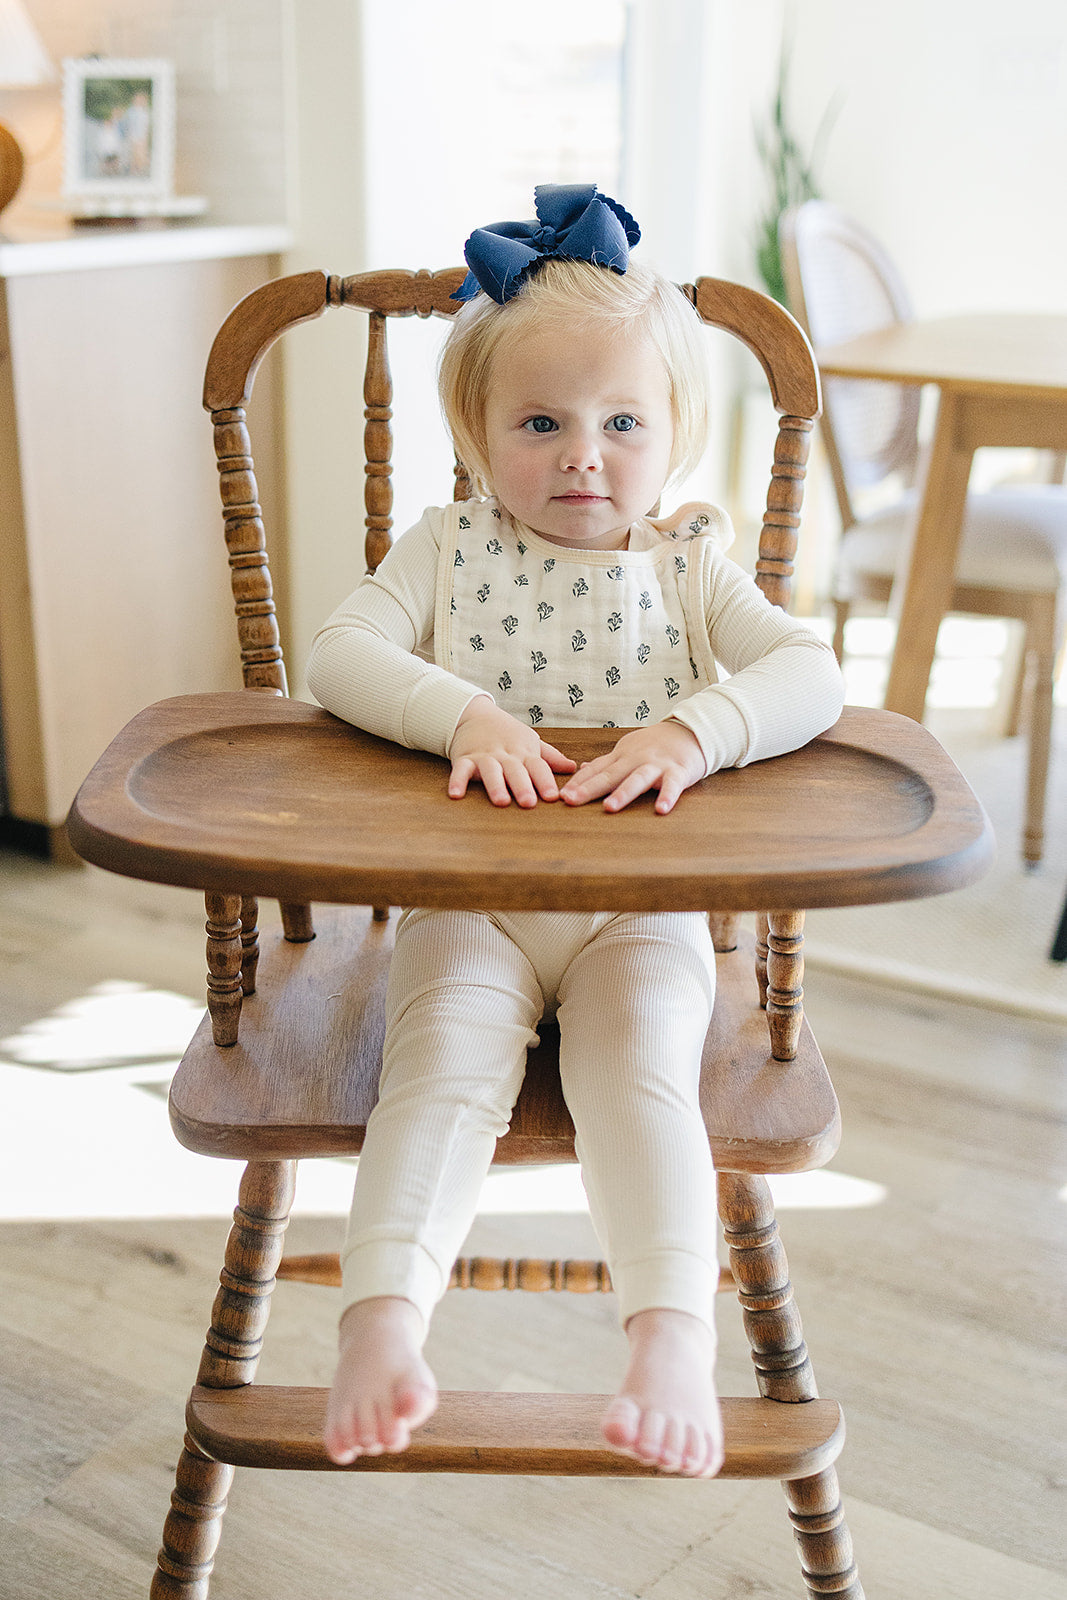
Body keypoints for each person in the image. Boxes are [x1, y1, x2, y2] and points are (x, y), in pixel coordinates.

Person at [307, 184, 844, 1479]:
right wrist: (462, 714)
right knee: (433, 1074)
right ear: (479, 432)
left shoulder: (688, 568)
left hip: (637, 914)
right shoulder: (448, 549)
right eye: (540, 422)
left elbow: (813, 673)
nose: (582, 457)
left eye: (622, 422)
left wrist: (694, 731)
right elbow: (338, 654)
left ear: (674, 433)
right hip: (471, 904)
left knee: (641, 1078)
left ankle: (671, 1336)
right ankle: (382, 1320)